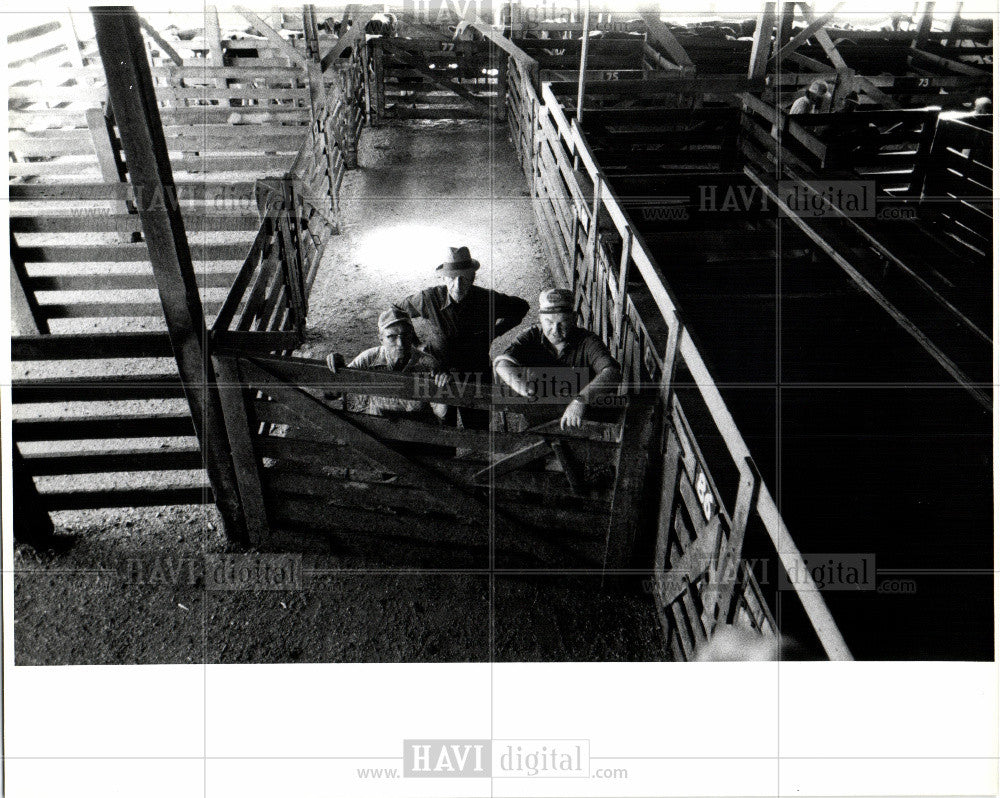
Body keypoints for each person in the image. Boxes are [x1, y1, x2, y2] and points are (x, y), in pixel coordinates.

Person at [392, 246, 529, 429]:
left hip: (475, 372)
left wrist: (494, 332)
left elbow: (521, 307)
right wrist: (417, 345)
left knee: (477, 425)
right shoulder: (429, 298)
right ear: (442, 278)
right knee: (441, 423)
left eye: (463, 279)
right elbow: (397, 310)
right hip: (439, 371)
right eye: (451, 279)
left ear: (473, 278)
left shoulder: (487, 299)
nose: (457, 286)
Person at [493, 288, 621, 430]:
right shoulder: (532, 335)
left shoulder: (588, 341)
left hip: (578, 421)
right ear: (540, 318)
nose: (555, 330)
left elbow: (611, 372)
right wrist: (525, 390)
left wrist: (580, 401)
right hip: (538, 419)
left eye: (562, 323)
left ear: (574, 318)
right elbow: (502, 362)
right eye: (549, 322)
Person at [327, 308, 448, 421]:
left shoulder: (427, 364)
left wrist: (444, 388)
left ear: (412, 336)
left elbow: (441, 413)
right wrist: (336, 369)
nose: (400, 343)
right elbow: (333, 393)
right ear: (381, 339)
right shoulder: (369, 359)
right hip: (379, 430)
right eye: (391, 337)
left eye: (405, 335)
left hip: (417, 432)